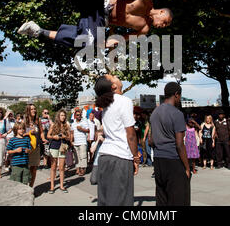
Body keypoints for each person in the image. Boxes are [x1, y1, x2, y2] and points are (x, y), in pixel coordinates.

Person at [18, 0, 173, 48]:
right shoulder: (146, 0)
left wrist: (106, 43)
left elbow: (121, 39)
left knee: (87, 41)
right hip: (100, 1)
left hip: (98, 20)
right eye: (165, 22)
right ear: (161, 12)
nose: (162, 26)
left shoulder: (144, 29)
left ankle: (38, 31)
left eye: (165, 26)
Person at [94, 74, 140, 206]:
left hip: (105, 156)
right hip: (120, 157)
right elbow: (130, 134)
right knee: (122, 201)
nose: (116, 76)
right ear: (113, 86)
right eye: (113, 76)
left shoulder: (106, 105)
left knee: (105, 200)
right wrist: (135, 157)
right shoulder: (124, 101)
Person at [150, 82, 190, 206]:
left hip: (158, 160)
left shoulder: (154, 113)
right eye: (180, 96)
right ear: (176, 95)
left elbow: (150, 140)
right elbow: (179, 144)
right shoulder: (177, 114)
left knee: (162, 198)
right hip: (173, 161)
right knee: (178, 199)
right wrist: (187, 167)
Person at [23, 104, 48, 187]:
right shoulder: (24, 121)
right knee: (26, 168)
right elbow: (20, 134)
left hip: (36, 147)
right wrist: (29, 133)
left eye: (35, 109)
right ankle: (24, 186)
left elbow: (41, 132)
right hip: (27, 147)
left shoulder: (38, 121)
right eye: (32, 109)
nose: (34, 110)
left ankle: (31, 187)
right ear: (28, 111)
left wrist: (43, 138)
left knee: (34, 168)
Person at [47, 109, 71, 193]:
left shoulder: (66, 126)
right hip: (54, 146)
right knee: (53, 167)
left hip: (63, 146)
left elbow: (69, 138)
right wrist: (54, 136)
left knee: (61, 167)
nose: (63, 117)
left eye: (64, 115)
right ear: (58, 116)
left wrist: (65, 136)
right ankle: (52, 186)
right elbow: (48, 135)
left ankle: (61, 185)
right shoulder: (53, 125)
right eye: (61, 115)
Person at [70, 108, 89, 176]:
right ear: (75, 116)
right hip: (76, 142)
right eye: (77, 115)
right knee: (77, 156)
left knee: (83, 156)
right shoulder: (73, 123)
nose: (79, 116)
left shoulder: (84, 121)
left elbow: (88, 130)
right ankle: (78, 167)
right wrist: (71, 141)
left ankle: (83, 169)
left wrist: (82, 129)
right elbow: (72, 133)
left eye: (80, 115)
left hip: (82, 141)